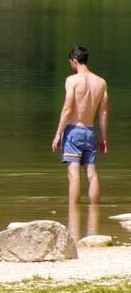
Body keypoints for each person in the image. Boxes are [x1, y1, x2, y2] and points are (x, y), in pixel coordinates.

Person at [51, 45, 108, 206]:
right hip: (90, 131)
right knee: (92, 173)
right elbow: (103, 113)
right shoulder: (101, 82)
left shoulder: (72, 80)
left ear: (74, 61)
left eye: (71, 62)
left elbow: (68, 108)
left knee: (73, 174)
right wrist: (103, 137)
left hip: (73, 130)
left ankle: (73, 212)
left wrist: (58, 134)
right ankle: (95, 212)